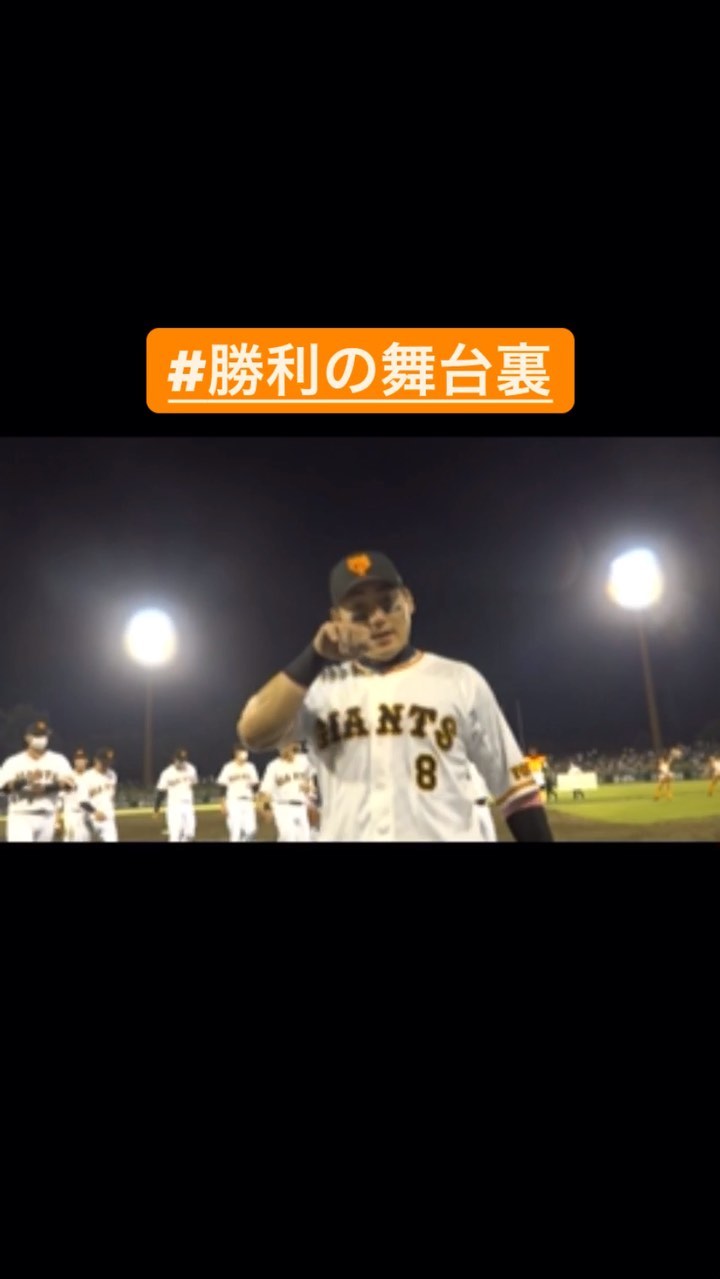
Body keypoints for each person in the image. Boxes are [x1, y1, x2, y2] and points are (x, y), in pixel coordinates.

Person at [238, 550, 553, 842]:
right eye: (359, 612)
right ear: (336, 619)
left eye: (388, 604)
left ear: (409, 601)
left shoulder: (460, 680)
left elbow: (517, 793)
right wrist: (314, 656)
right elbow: (253, 733)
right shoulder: (320, 688)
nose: (377, 618)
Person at [0, 719, 76, 843]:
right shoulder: (13, 762)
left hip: (47, 816)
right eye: (37, 735)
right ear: (27, 738)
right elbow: (3, 789)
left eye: (44, 735)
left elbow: (71, 785)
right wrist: (25, 781)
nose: (42, 738)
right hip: (20, 815)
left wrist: (47, 788)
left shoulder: (58, 760)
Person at [257, 742, 315, 842]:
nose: (283, 749)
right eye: (281, 747)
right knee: (288, 836)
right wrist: (265, 809)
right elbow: (264, 791)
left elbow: (313, 777)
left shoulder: (304, 760)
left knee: (305, 838)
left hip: (302, 806)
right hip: (282, 806)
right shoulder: (274, 766)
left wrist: (311, 786)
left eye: (286, 745)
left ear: (293, 746)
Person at [216, 745, 260, 842]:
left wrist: (258, 800)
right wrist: (222, 803)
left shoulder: (250, 767)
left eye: (245, 752)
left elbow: (255, 785)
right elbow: (222, 787)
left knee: (251, 830)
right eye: (242, 752)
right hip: (233, 801)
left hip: (248, 801)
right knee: (235, 831)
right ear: (236, 754)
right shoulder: (228, 767)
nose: (245, 754)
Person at [154, 748, 198, 842]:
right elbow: (161, 791)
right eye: (180, 760)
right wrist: (156, 809)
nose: (182, 763)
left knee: (190, 834)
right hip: (174, 806)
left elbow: (194, 783)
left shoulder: (191, 769)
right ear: (175, 759)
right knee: (175, 835)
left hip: (188, 805)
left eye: (184, 760)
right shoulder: (167, 773)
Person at [75, 749, 119, 842]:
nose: (107, 764)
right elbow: (82, 801)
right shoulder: (87, 776)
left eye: (109, 761)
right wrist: (95, 812)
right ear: (96, 760)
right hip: (91, 819)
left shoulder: (112, 775)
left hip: (108, 818)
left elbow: (111, 796)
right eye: (104, 761)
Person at [60, 747, 93, 842]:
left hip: (87, 816)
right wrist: (57, 819)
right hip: (72, 816)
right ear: (74, 761)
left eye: (82, 758)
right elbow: (59, 799)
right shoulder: (68, 776)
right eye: (77, 758)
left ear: (86, 760)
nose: (80, 761)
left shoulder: (91, 776)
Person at [467, 761, 498, 842]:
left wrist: (490, 799)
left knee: (490, 835)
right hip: (469, 806)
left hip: (482, 804)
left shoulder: (475, 765)